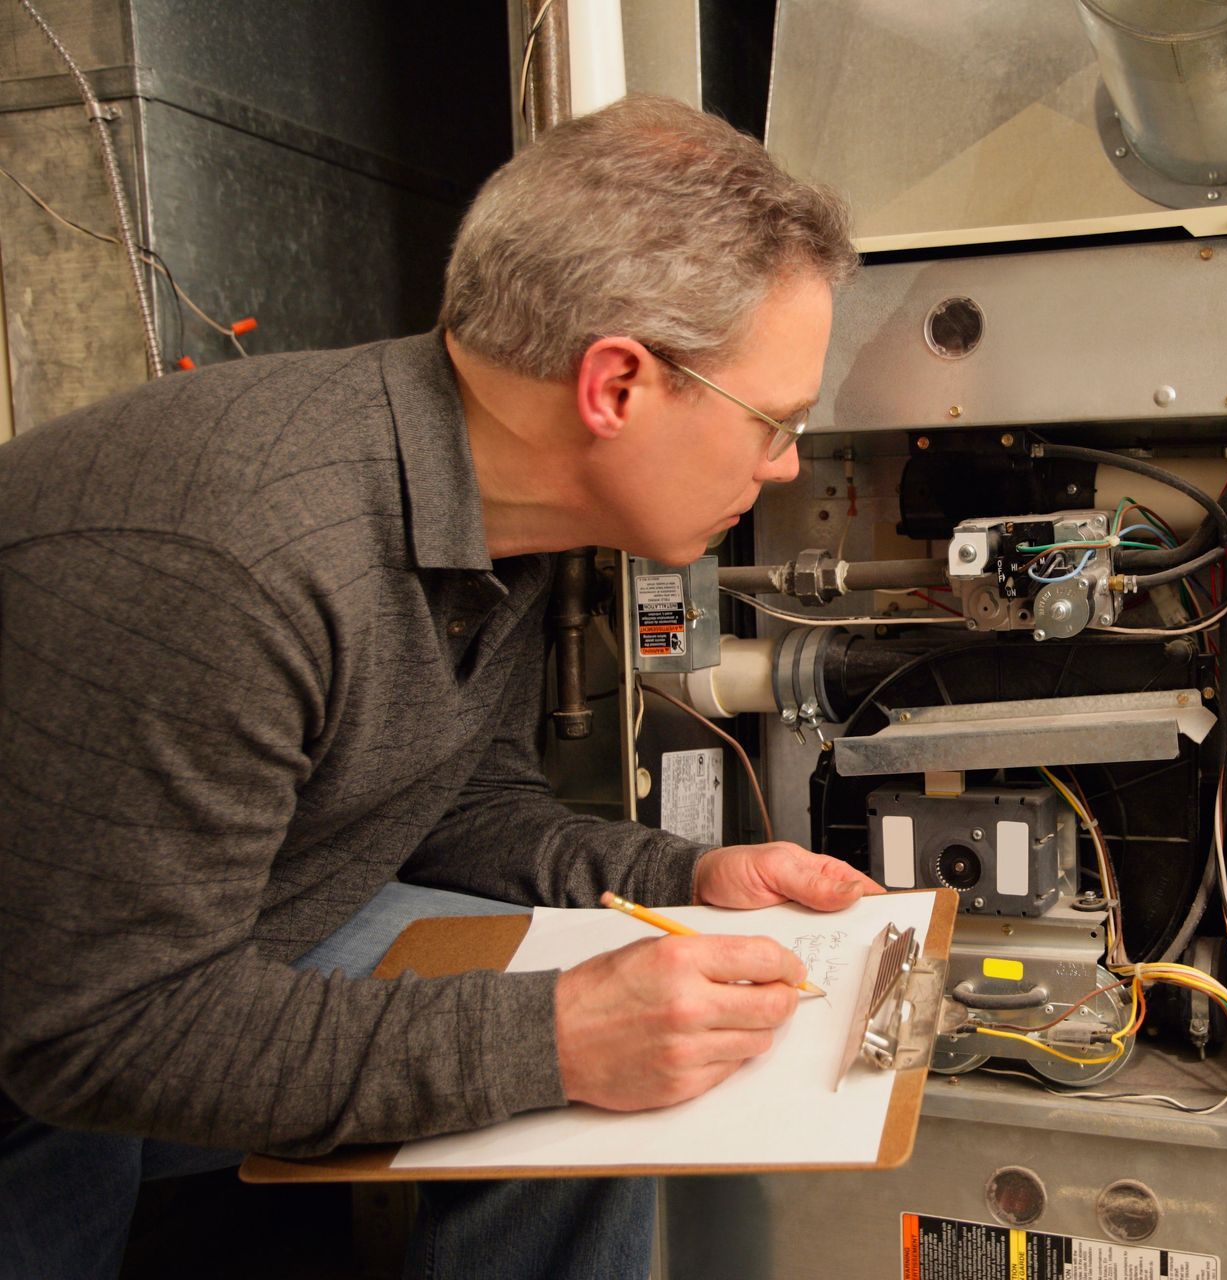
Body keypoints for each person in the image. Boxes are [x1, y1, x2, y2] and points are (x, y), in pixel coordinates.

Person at [0, 93, 871, 1277]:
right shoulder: (242, 558)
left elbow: (454, 801)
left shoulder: (515, 517)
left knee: (624, 1051)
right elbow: (101, 1030)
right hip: (53, 1033)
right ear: (616, 386)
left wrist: (685, 877)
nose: (788, 464)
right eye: (774, 420)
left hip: (236, 926)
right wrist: (555, 1037)